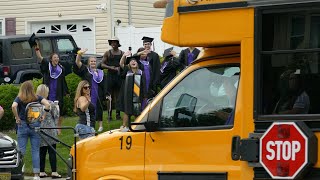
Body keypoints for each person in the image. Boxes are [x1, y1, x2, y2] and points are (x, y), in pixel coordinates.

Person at [11, 81, 50, 180]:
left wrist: (17, 117)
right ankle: (36, 175)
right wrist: (43, 116)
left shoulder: (19, 98)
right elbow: (47, 104)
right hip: (35, 125)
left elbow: (13, 106)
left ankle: (21, 170)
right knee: (35, 150)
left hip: (22, 125)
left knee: (21, 150)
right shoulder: (37, 97)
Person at [34, 43, 69, 135]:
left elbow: (63, 81)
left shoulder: (61, 68)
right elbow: (40, 58)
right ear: (51, 59)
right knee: (47, 109)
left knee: (59, 110)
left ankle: (58, 127)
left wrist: (66, 91)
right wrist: (37, 48)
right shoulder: (47, 65)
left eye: (57, 57)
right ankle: (46, 126)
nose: (56, 59)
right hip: (48, 92)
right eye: (54, 57)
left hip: (58, 92)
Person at [74, 49, 108, 132]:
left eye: (94, 61)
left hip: (98, 92)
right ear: (89, 63)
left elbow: (104, 84)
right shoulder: (86, 71)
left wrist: (107, 93)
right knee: (89, 109)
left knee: (99, 108)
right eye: (91, 61)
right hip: (88, 92)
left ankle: (100, 125)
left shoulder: (100, 72)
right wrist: (79, 54)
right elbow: (78, 63)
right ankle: (91, 124)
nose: (93, 63)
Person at [35, 85, 62, 178]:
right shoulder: (51, 104)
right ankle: (54, 171)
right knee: (52, 151)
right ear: (47, 93)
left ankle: (41, 171)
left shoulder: (35, 105)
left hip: (40, 130)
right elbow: (56, 116)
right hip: (51, 130)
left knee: (41, 152)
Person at [117, 52, 146, 131]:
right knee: (127, 111)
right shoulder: (127, 71)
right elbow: (121, 63)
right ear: (129, 64)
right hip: (128, 94)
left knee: (137, 111)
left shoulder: (141, 72)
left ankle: (136, 126)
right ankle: (124, 126)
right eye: (131, 61)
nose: (133, 62)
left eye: (135, 61)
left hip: (137, 94)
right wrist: (124, 56)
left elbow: (144, 84)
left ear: (137, 63)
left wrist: (144, 95)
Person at [101, 37, 123, 121]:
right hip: (110, 75)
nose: (113, 44)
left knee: (118, 96)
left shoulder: (122, 53)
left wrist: (120, 68)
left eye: (115, 42)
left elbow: (125, 63)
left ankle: (118, 114)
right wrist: (111, 67)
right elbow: (102, 64)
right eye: (112, 42)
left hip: (119, 76)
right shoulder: (108, 53)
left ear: (118, 43)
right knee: (109, 96)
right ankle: (109, 115)